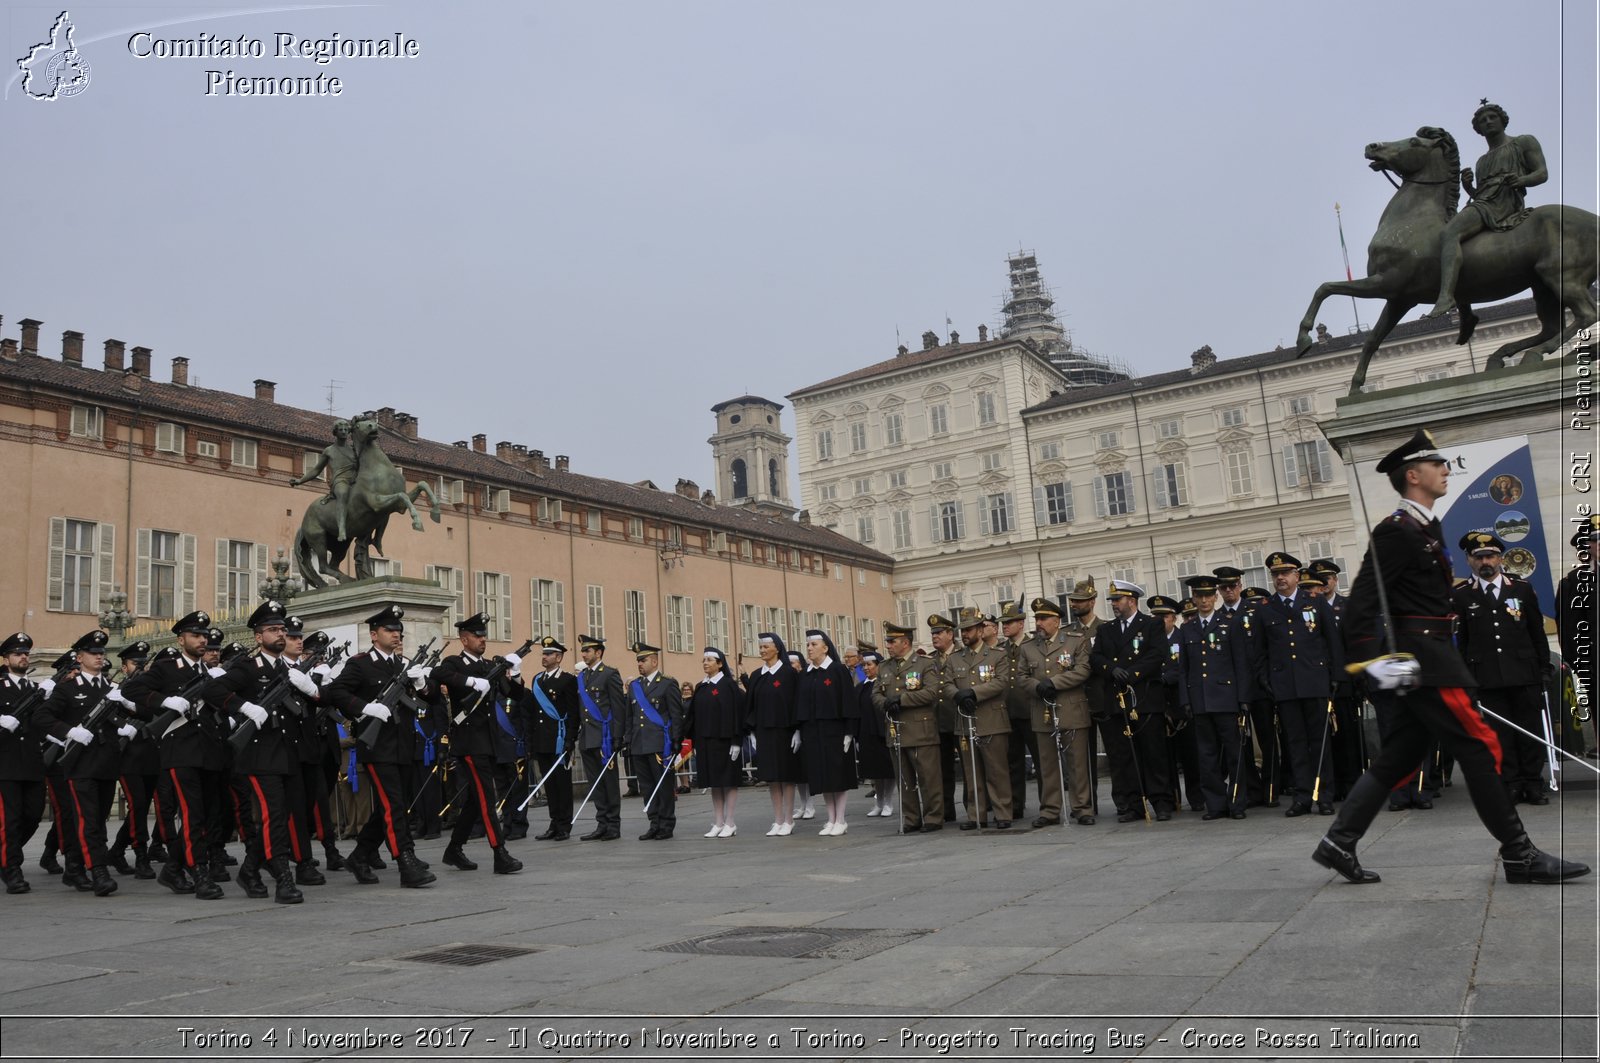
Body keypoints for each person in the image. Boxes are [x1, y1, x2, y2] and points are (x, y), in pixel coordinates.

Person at [1313, 428, 1588, 886]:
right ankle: (1519, 854)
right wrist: (1370, 661)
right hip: (1427, 664)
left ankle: (1339, 841)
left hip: (1431, 658)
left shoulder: (1424, 527)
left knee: (1401, 754)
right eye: (1437, 464)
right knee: (1482, 747)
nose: (1445, 470)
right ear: (1414, 475)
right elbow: (1362, 604)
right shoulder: (1395, 532)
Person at [322, 604, 437, 888]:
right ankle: (405, 860)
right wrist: (365, 708)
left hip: (405, 745)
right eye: (390, 630)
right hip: (377, 748)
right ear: (374, 635)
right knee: (393, 804)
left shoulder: (406, 665)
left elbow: (431, 698)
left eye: (399, 630)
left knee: (394, 805)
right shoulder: (360, 663)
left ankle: (360, 855)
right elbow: (336, 691)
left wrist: (423, 685)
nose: (397, 634)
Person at [203, 600, 308, 905]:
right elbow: (213, 691)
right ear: (259, 637)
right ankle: (283, 880)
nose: (280, 634)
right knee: (272, 817)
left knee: (281, 816)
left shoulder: (289, 669)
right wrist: (243, 706)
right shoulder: (247, 668)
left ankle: (250, 870)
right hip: (259, 757)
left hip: (287, 754)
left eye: (282, 630)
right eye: (273, 630)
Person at [1452, 531, 1553, 804]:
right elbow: (1461, 642)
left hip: (1524, 672)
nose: (1486, 561)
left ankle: (1533, 782)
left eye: (1491, 555)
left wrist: (1544, 668)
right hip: (1486, 677)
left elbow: (1536, 633)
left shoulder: (1521, 589)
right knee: (1499, 734)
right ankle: (1510, 782)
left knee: (1529, 731)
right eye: (1479, 557)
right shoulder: (1460, 596)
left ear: (1500, 558)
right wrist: (1463, 679)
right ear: (1469, 560)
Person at [1426, 100, 1548, 319]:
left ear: (1503, 120)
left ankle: (1446, 296)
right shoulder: (1482, 161)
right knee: (1459, 244)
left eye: (1492, 117)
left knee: (1449, 232)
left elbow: (1542, 173)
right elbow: (1482, 194)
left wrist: (1521, 179)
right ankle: (1465, 309)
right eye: (1483, 121)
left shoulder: (1523, 142)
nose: (1488, 122)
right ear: (1478, 129)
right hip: (1484, 203)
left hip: (1505, 202)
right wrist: (1469, 187)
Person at [36, 630, 127, 897]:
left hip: (107, 763)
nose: (99, 657)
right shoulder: (68, 688)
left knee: (97, 818)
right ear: (80, 657)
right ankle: (98, 871)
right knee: (88, 820)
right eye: (93, 654)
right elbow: (42, 717)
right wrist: (69, 731)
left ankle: (74, 867)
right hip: (81, 764)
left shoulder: (111, 689)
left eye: (101, 653)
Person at [433, 613, 524, 874]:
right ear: (464, 639)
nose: (483, 639)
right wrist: (470, 681)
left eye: (484, 635)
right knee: (486, 797)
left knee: (475, 800)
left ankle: (453, 850)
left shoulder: (488, 666)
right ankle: (500, 853)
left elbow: (515, 694)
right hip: (470, 743)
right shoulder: (454, 662)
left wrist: (515, 673)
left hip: (490, 741)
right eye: (477, 635)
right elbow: (440, 673)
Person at [1258, 552, 1344, 816]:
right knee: (1295, 744)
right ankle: (1302, 797)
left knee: (1320, 743)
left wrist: (1336, 676)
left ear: (1297, 575)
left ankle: (1324, 795)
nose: (1280, 578)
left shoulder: (1315, 603)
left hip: (1315, 681)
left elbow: (1332, 642)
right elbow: (1260, 650)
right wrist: (1265, 679)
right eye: (1275, 574)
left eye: (1285, 573)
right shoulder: (1266, 608)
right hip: (1285, 686)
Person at [1090, 581, 1171, 822]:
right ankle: (1133, 804)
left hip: (1144, 697)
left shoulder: (1151, 624)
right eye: (1113, 601)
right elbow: (1096, 657)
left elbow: (1158, 654)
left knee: (1153, 753)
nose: (1114, 604)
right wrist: (1112, 669)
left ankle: (1161, 801)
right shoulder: (1107, 630)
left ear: (1132, 600)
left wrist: (1133, 673)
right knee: (1123, 756)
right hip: (1117, 700)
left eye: (1118, 600)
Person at [1180, 576, 1254, 820]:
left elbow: (1241, 663)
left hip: (1226, 698)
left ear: (1215, 597)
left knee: (1234, 754)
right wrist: (1186, 700)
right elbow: (1184, 668)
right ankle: (1215, 804)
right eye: (1198, 596)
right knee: (1207, 756)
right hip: (1200, 699)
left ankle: (1237, 802)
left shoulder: (1229, 623)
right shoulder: (1187, 628)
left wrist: (1243, 698)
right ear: (1193, 598)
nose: (1203, 600)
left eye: (1208, 595)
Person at [1019, 597, 1094, 826]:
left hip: (1071, 708)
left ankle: (1082, 808)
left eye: (1044, 619)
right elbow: (1021, 677)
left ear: (1056, 620)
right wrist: (1038, 687)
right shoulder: (1028, 647)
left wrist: (1054, 683)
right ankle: (1050, 810)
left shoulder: (1075, 641)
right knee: (1047, 763)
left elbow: (1083, 670)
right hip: (1042, 710)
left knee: (1077, 762)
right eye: (1037, 618)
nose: (1039, 623)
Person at [873, 621, 947, 833]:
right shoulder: (885, 666)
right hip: (896, 729)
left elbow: (932, 692)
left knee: (928, 777)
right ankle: (911, 817)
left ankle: (933, 816)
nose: (888, 645)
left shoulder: (923, 663)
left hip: (920, 729)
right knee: (904, 779)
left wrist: (902, 699)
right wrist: (885, 703)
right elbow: (876, 693)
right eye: (887, 641)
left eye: (892, 641)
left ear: (905, 643)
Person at [945, 608, 1012, 829]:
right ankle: (976, 815)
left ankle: (1003, 813)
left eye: (969, 629)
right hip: (966, 720)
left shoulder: (997, 654)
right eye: (962, 630)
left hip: (991, 719)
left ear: (981, 630)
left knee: (996, 771)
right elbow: (945, 684)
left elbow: (1002, 681)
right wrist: (958, 695)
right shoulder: (955, 658)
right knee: (971, 772)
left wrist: (974, 693)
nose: (964, 634)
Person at [105, 641, 161, 880]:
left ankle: (117, 850)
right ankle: (140, 854)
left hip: (150, 754)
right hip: (127, 757)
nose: (139, 667)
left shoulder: (147, 690)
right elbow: (103, 716)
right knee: (137, 805)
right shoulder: (113, 690)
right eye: (134, 664)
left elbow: (155, 710)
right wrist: (120, 721)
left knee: (141, 807)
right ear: (124, 667)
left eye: (143, 663)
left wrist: (132, 704)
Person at [795, 630, 858, 835]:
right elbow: (800, 704)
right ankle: (830, 818)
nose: (810, 649)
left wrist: (849, 731)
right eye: (808, 645)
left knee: (837, 775)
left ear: (825, 647)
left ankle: (840, 818)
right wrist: (798, 729)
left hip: (834, 730)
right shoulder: (806, 674)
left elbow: (848, 701)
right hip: (812, 731)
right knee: (822, 776)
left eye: (814, 644)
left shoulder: (838, 670)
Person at [0, 632, 48, 895]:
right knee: (10, 819)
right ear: (6, 659)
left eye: (26, 653)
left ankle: (7, 855)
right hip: (6, 764)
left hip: (32, 762)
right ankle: (12, 869)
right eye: (18, 653)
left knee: (32, 815)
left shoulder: (34, 690)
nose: (23, 657)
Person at [744, 633, 803, 835]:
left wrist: (797, 730)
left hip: (785, 732)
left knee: (786, 776)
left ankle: (788, 819)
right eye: (760, 647)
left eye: (766, 647)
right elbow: (750, 705)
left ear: (777, 648)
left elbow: (796, 703)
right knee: (772, 777)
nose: (762, 650)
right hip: (764, 732)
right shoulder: (756, 676)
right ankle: (777, 819)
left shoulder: (789, 673)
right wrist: (751, 731)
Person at [574, 634, 628, 841]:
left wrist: (617, 737)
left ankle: (613, 824)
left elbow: (617, 708)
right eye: (583, 651)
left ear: (598, 652)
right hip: (588, 736)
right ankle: (601, 823)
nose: (584, 654)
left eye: (587, 651)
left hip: (605, 738)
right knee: (595, 782)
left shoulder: (610, 674)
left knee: (609, 783)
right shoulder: (583, 677)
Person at [628, 643, 684, 840]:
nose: (639, 664)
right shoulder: (635, 686)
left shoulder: (667, 684)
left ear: (654, 661)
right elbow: (630, 716)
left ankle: (666, 824)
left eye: (643, 660)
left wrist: (677, 740)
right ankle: (654, 822)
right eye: (638, 661)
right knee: (647, 787)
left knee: (663, 786)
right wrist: (628, 740)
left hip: (661, 743)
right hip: (639, 743)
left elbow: (676, 715)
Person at [528, 637, 578, 841]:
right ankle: (553, 822)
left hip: (559, 739)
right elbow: (534, 713)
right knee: (549, 784)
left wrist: (570, 738)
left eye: (548, 654)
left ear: (558, 657)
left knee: (562, 784)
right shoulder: (537, 679)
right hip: (542, 740)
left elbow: (573, 713)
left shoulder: (568, 680)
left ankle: (564, 825)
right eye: (544, 654)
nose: (545, 657)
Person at [996, 601, 1039, 823]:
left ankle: (1048, 804)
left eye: (1009, 622)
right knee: (1012, 762)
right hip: (1008, 711)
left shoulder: (1032, 645)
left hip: (1031, 710)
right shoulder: (1001, 649)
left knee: (1042, 761)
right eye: (1003, 622)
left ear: (1021, 624)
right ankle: (1015, 804)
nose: (1005, 626)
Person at [291, 419, 358, 541]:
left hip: (355, 480)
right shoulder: (329, 451)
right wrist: (300, 481)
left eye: (345, 430)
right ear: (335, 432)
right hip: (340, 481)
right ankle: (342, 528)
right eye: (340, 430)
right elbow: (316, 470)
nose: (343, 432)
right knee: (342, 494)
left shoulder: (354, 449)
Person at [853, 649, 896, 818]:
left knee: (887, 770)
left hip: (883, 731)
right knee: (874, 771)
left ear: (879, 666)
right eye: (863, 665)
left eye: (869, 665)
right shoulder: (860, 687)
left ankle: (888, 802)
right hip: (866, 732)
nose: (865, 668)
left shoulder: (885, 684)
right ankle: (878, 802)